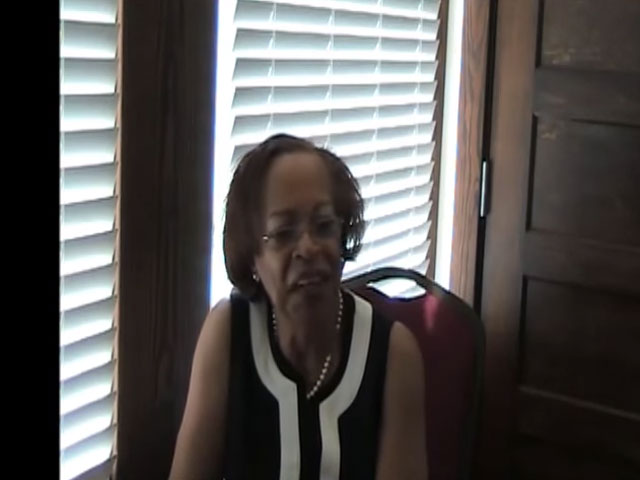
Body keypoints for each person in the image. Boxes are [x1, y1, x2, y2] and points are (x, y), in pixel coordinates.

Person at [169, 134, 428, 479]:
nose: (308, 248)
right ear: (253, 258)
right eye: (284, 233)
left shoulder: (394, 354)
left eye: (323, 227)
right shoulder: (228, 334)